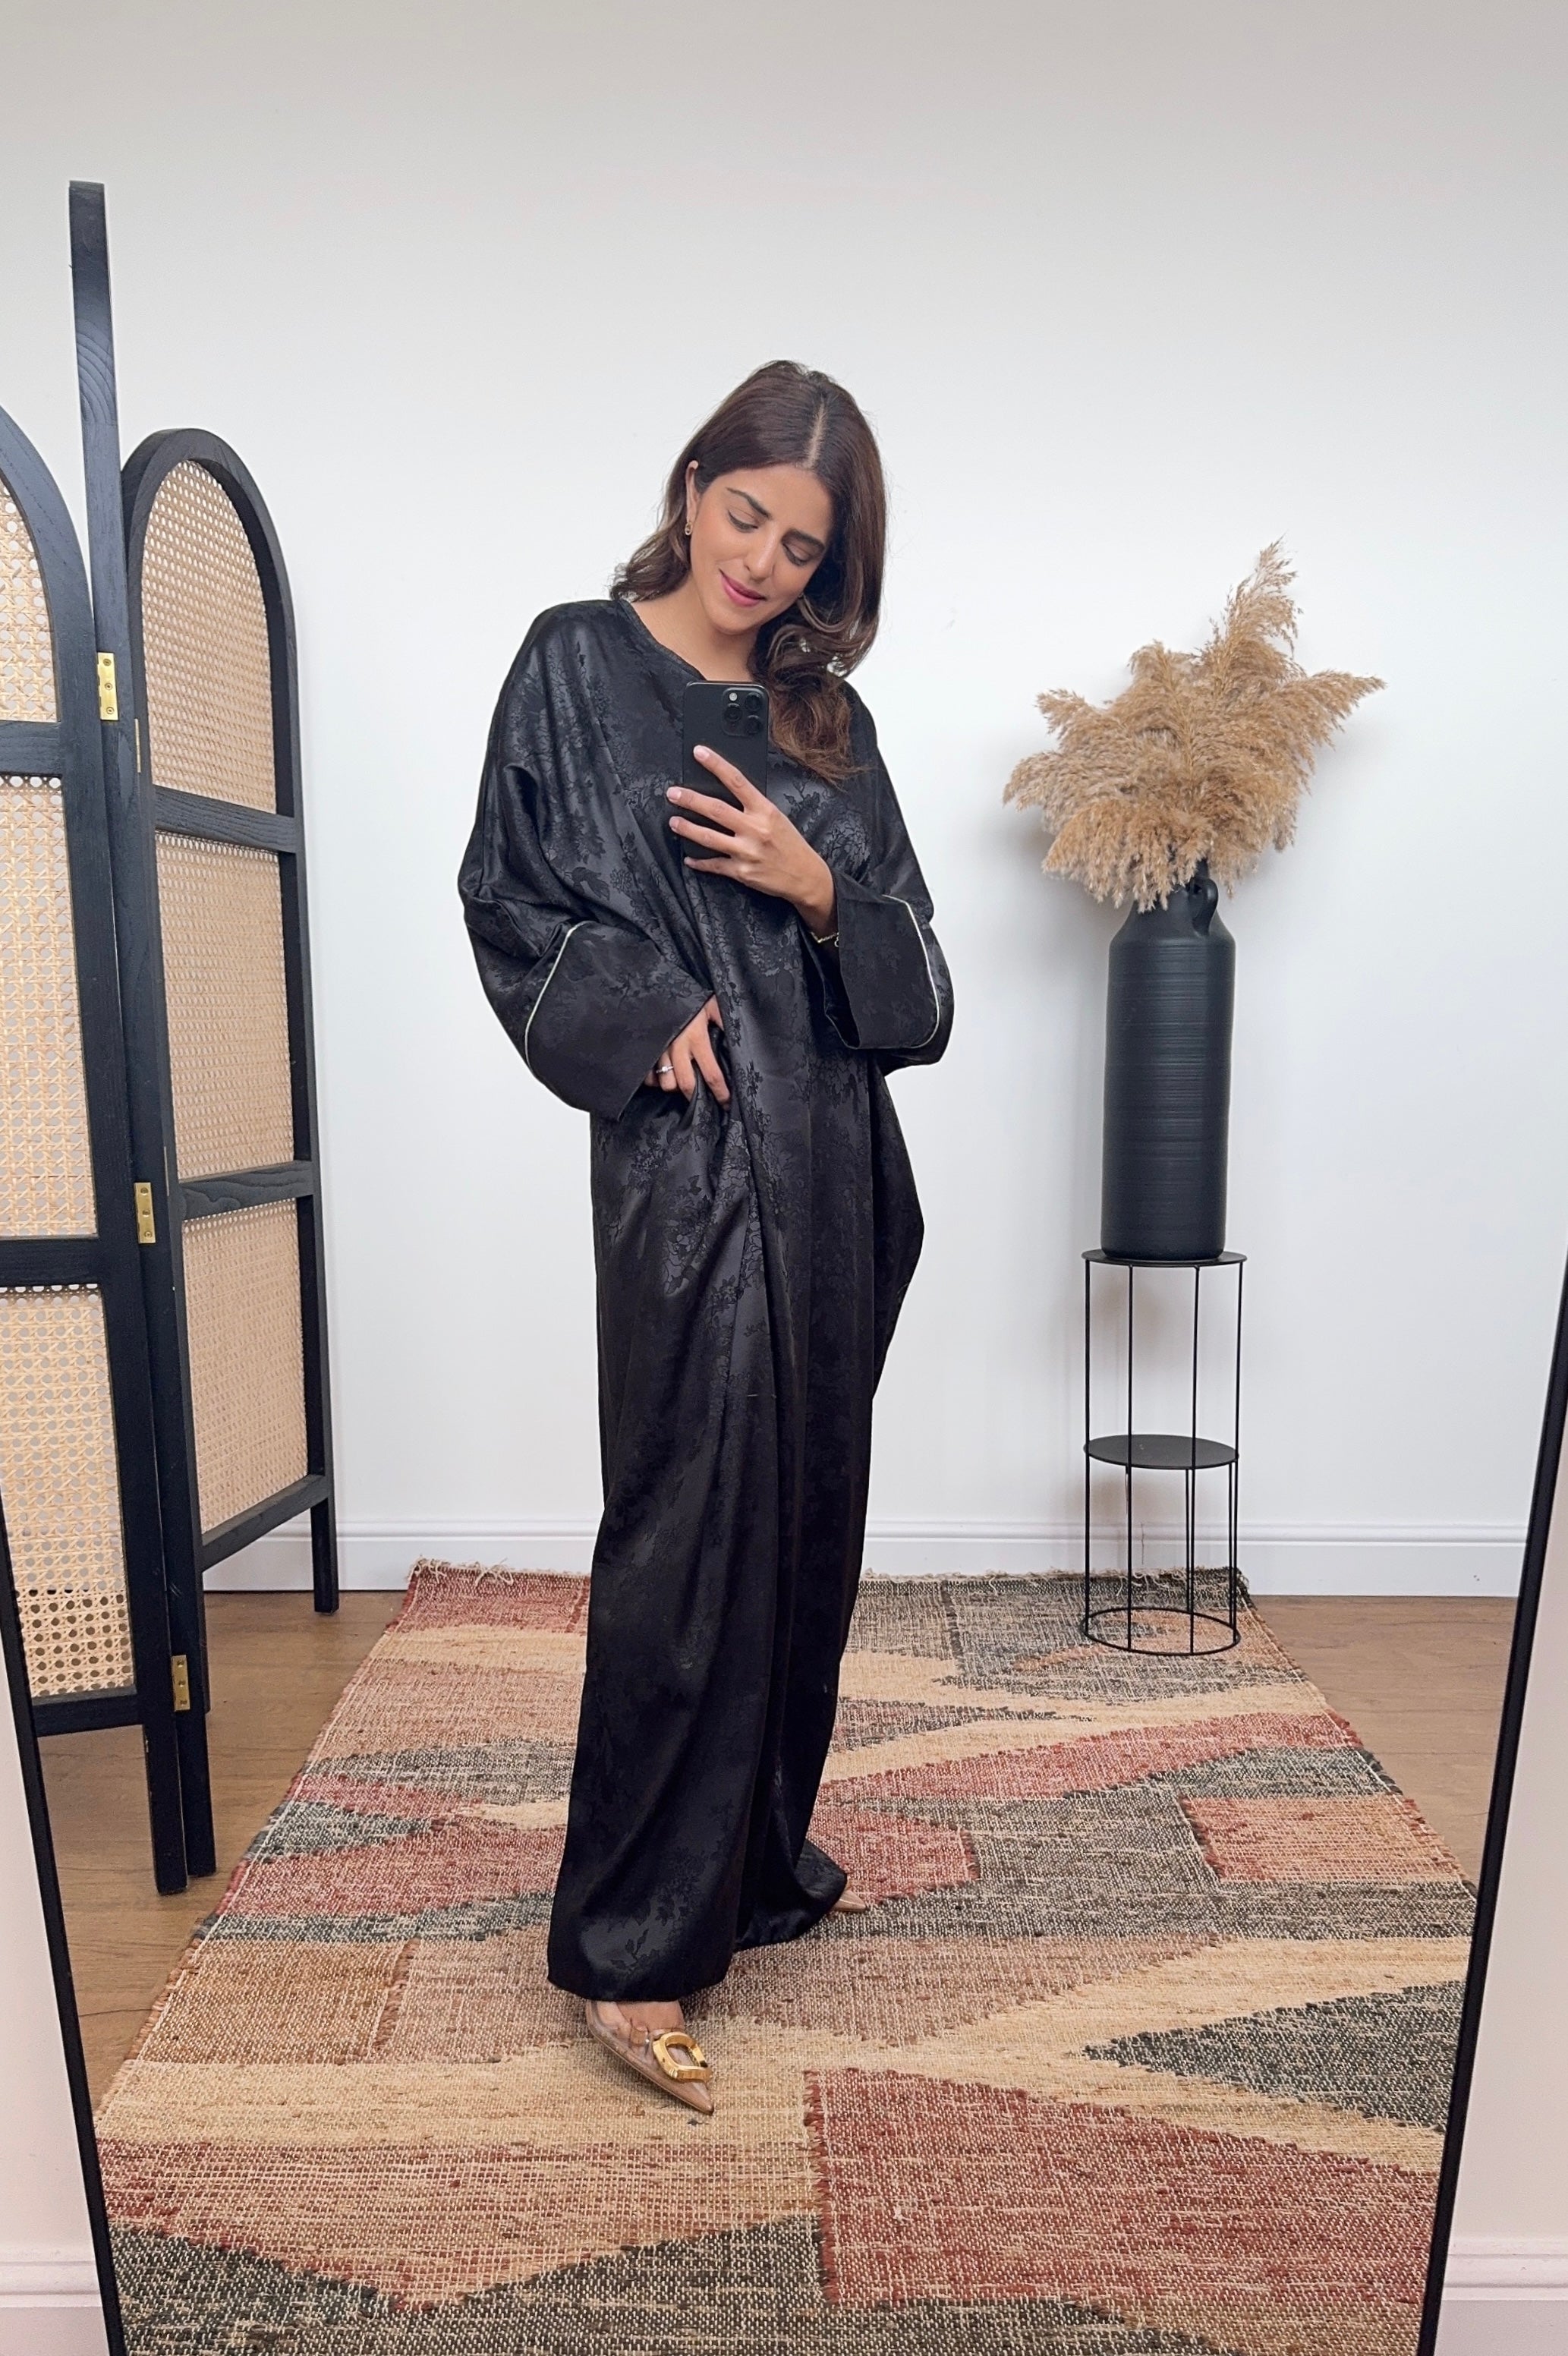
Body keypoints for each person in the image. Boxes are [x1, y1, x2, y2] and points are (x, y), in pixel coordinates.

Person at [458, 360, 952, 2115]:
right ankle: (629, 1949)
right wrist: (638, 997)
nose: (761, 563)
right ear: (691, 485)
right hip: (685, 1175)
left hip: (832, 1171)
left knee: (806, 1524)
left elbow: (920, 983)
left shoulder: (826, 726)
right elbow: (507, 898)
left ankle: (745, 1869)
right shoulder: (572, 668)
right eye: (746, 515)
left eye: (803, 548)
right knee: (684, 1533)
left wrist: (816, 887)